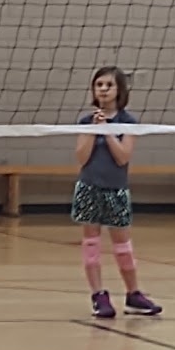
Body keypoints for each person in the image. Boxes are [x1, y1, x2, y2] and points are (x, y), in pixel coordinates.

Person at [72, 67, 161, 319]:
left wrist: (107, 131)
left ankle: (133, 294)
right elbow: (81, 157)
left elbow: (123, 157)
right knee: (91, 244)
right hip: (89, 188)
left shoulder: (129, 122)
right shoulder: (85, 122)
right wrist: (94, 128)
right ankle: (99, 296)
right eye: (98, 84)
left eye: (108, 85)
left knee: (122, 245)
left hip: (116, 190)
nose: (102, 89)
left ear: (119, 90)